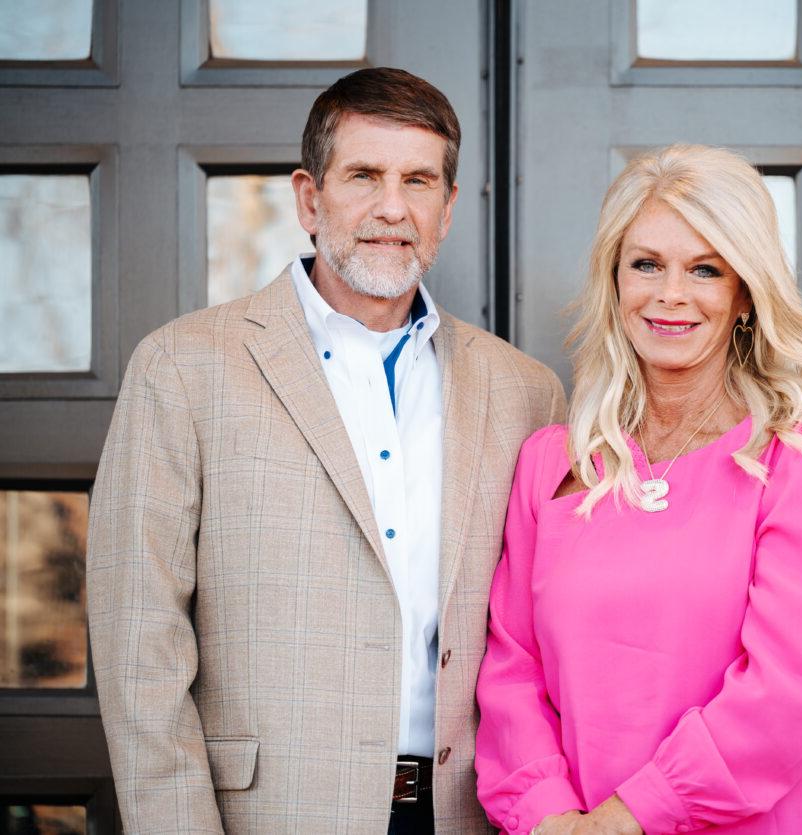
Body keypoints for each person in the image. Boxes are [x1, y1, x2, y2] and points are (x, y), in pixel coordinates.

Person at [87, 67, 565, 834]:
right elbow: (139, 641)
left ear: (446, 209)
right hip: (270, 813)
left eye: (418, 180)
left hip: (468, 813)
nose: (391, 207)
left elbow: (548, 637)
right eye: (364, 175)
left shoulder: (526, 391)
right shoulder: (183, 366)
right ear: (310, 198)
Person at [474, 144, 802, 834]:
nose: (670, 294)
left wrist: (626, 818)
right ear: (615, 280)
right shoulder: (548, 463)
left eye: (705, 269)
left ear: (743, 291)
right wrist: (551, 814)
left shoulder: (799, 457)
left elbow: (787, 698)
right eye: (646, 263)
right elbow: (510, 671)